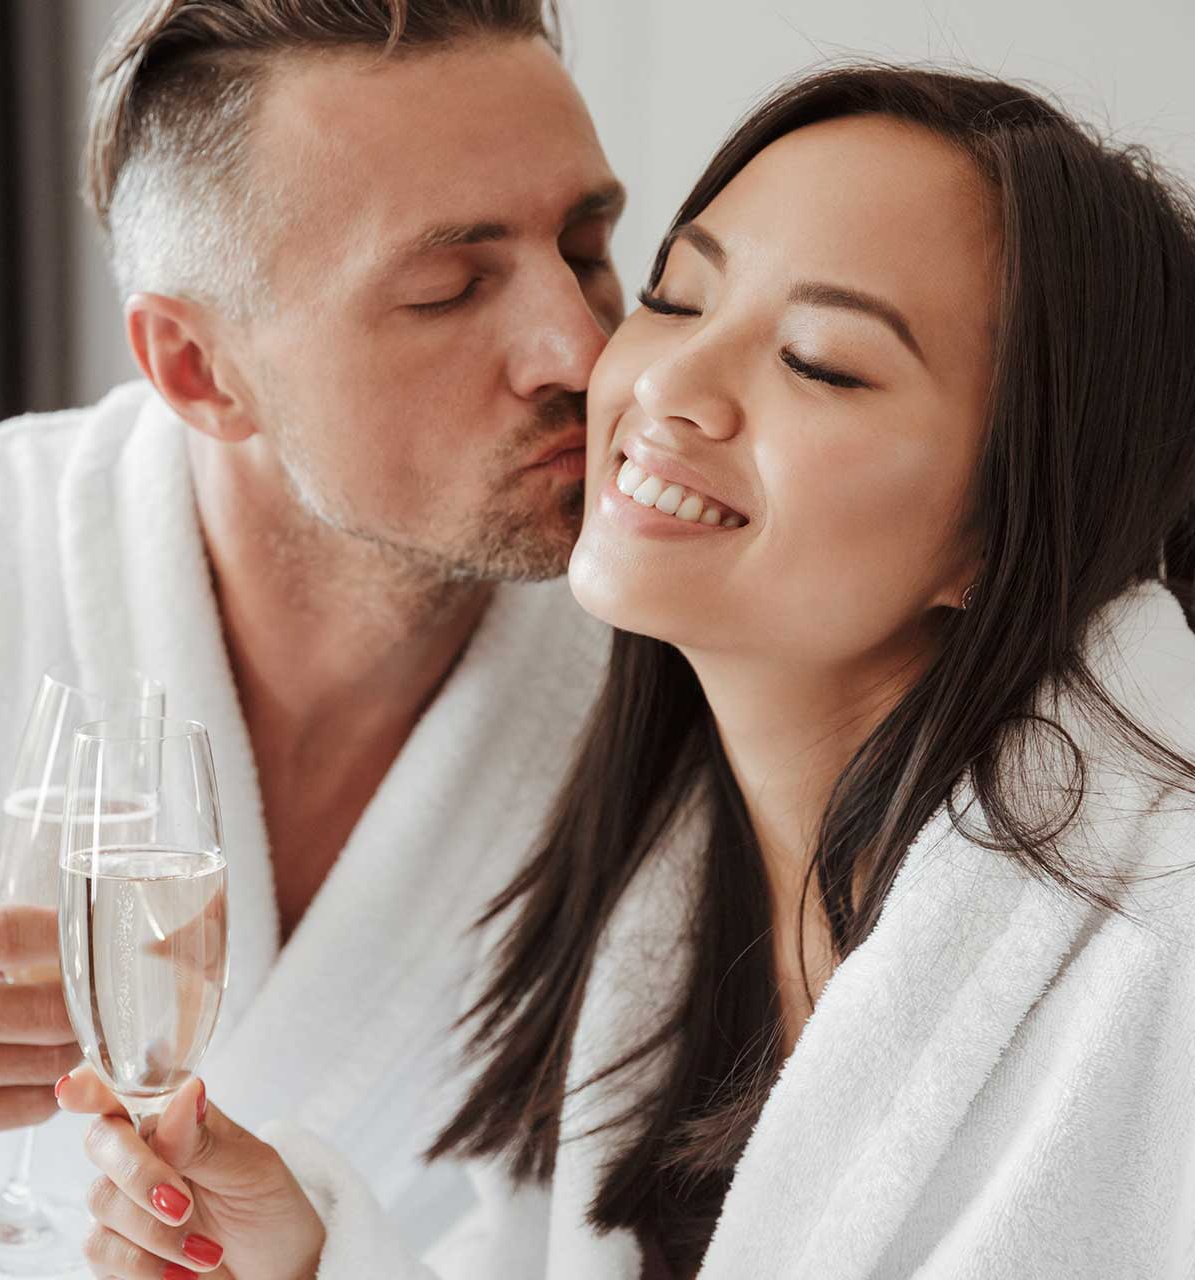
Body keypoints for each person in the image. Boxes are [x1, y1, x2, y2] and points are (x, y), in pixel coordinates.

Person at [61, 63, 1195, 1279]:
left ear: (1012, 524)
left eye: (818, 359)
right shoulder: (660, 901)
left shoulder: (1162, 967)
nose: (662, 382)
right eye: (674, 294)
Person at [0, 0, 626, 1261]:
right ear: (198, 369)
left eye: (587, 248)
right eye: (449, 286)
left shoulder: (673, 694)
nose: (581, 348)